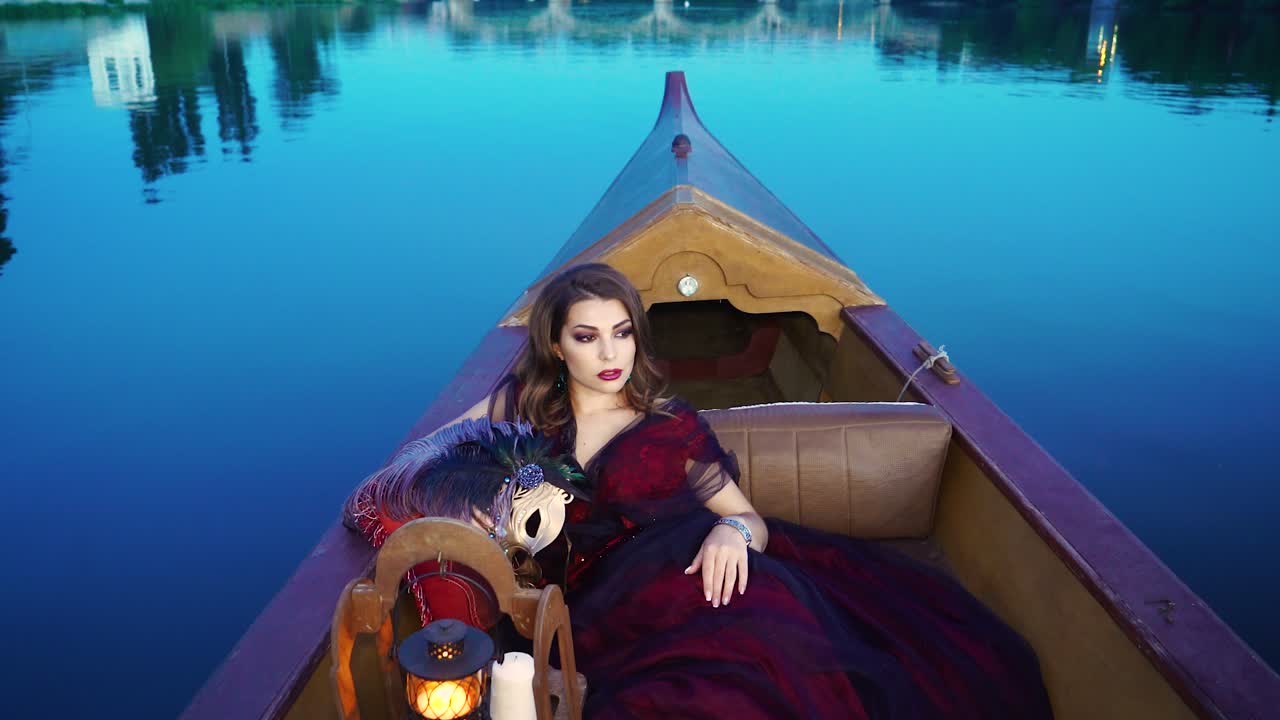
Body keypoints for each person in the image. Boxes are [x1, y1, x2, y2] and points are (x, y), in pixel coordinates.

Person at [349, 263, 1054, 719]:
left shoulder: (672, 424)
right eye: (588, 337)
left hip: (708, 570)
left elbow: (748, 518)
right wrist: (494, 501)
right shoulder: (520, 408)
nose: (610, 354)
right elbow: (418, 460)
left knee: (779, 651)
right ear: (557, 346)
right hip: (601, 607)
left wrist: (731, 532)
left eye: (622, 333)